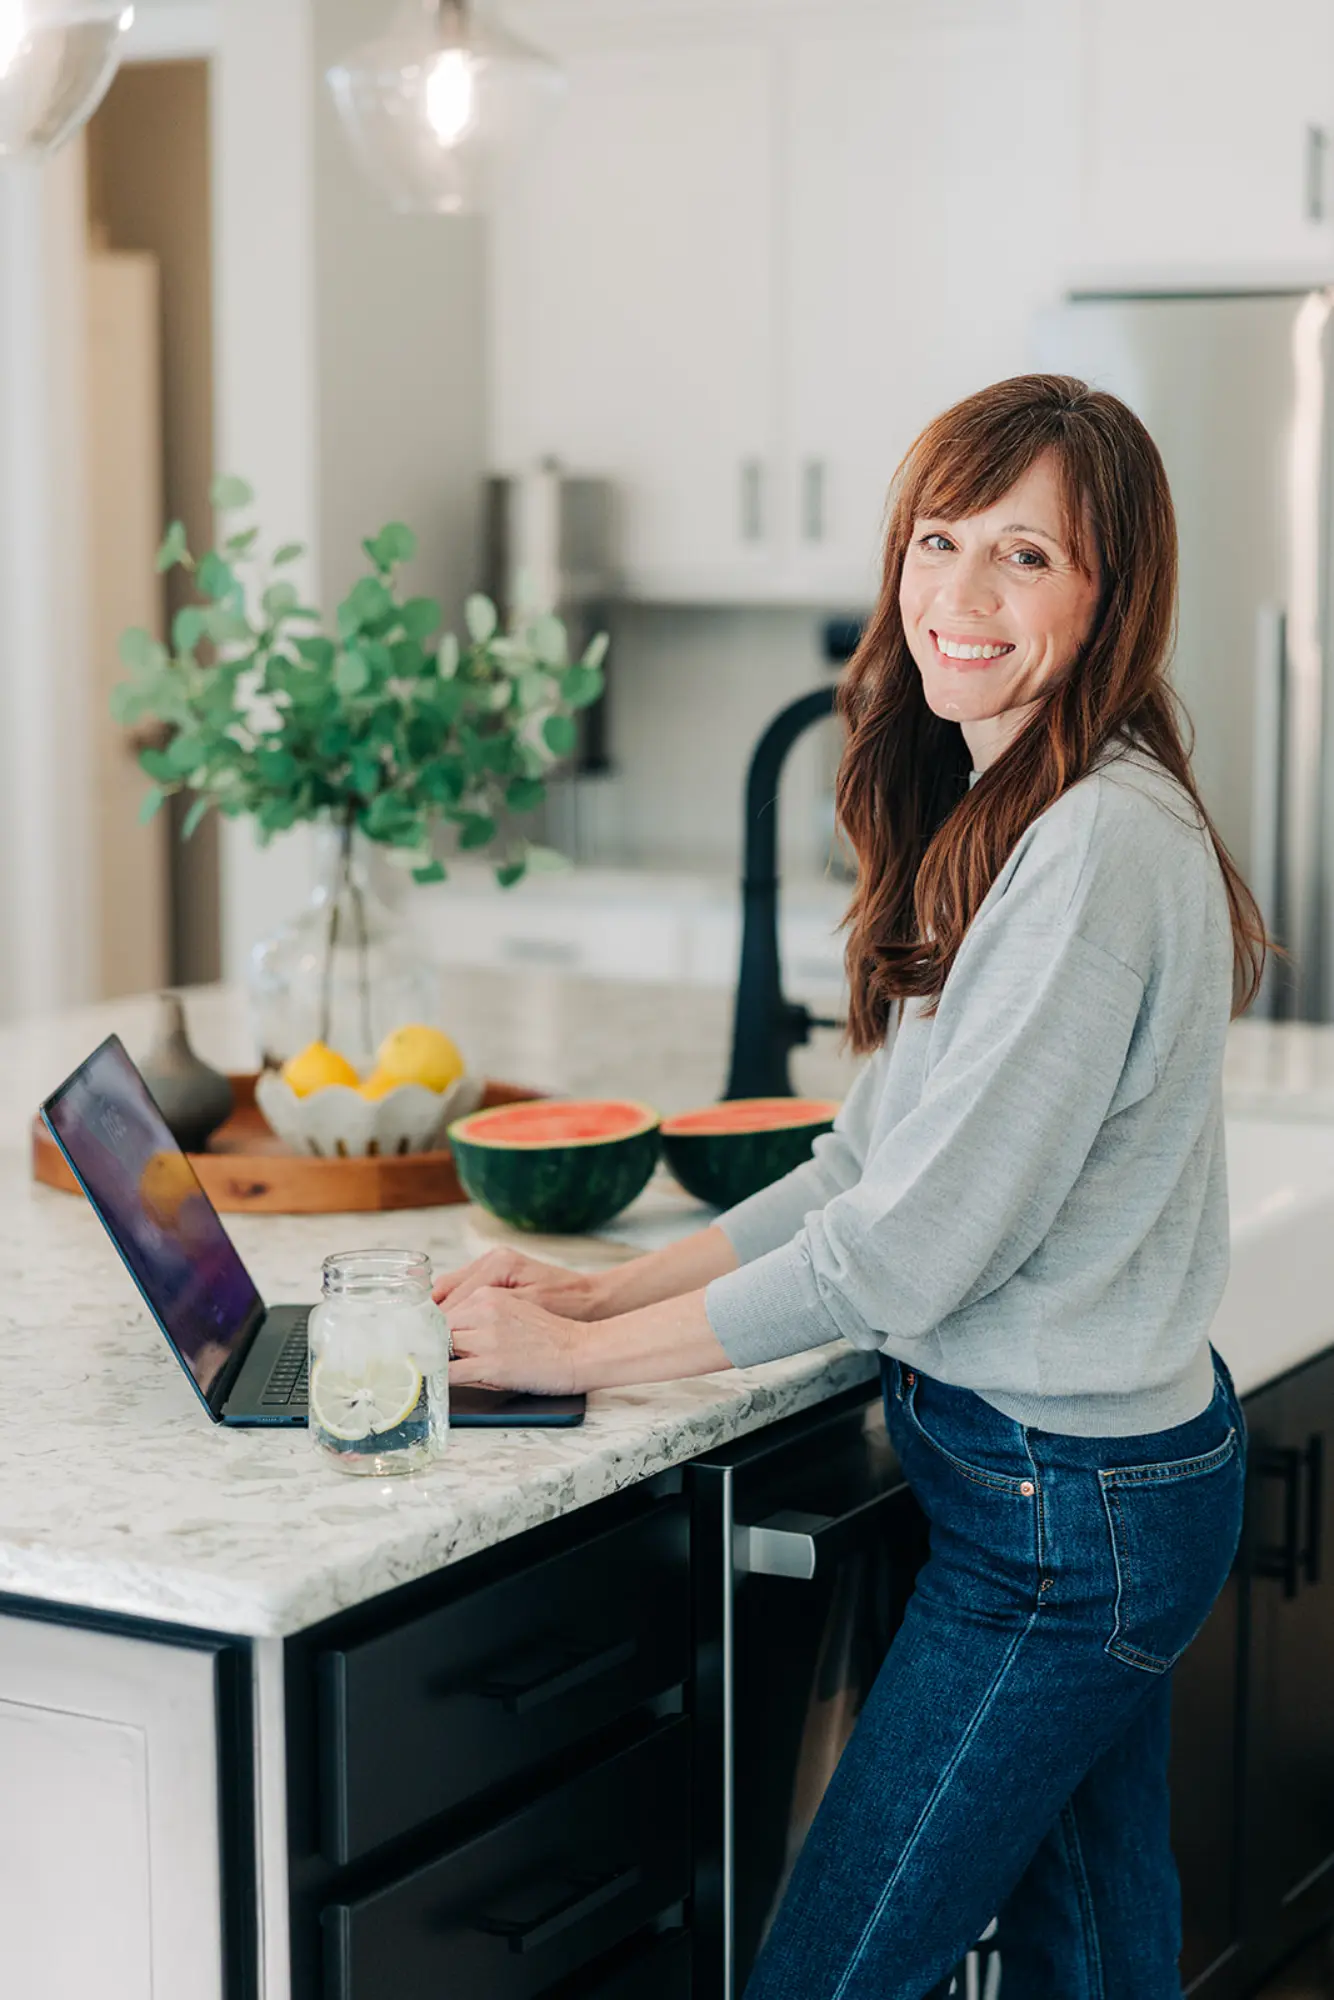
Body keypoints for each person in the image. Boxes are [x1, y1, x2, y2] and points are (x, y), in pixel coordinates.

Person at [431, 374, 1265, 1999]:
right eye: (938, 539)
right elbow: (863, 1165)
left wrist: (579, 1366)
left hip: (1063, 1522)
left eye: (1024, 557)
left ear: (1112, 596)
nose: (958, 597)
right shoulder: (1015, 813)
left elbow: (908, 1254)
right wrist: (601, 1289)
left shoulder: (1095, 847)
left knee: (827, 1972)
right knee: (1092, 1955)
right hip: (1084, 1491)